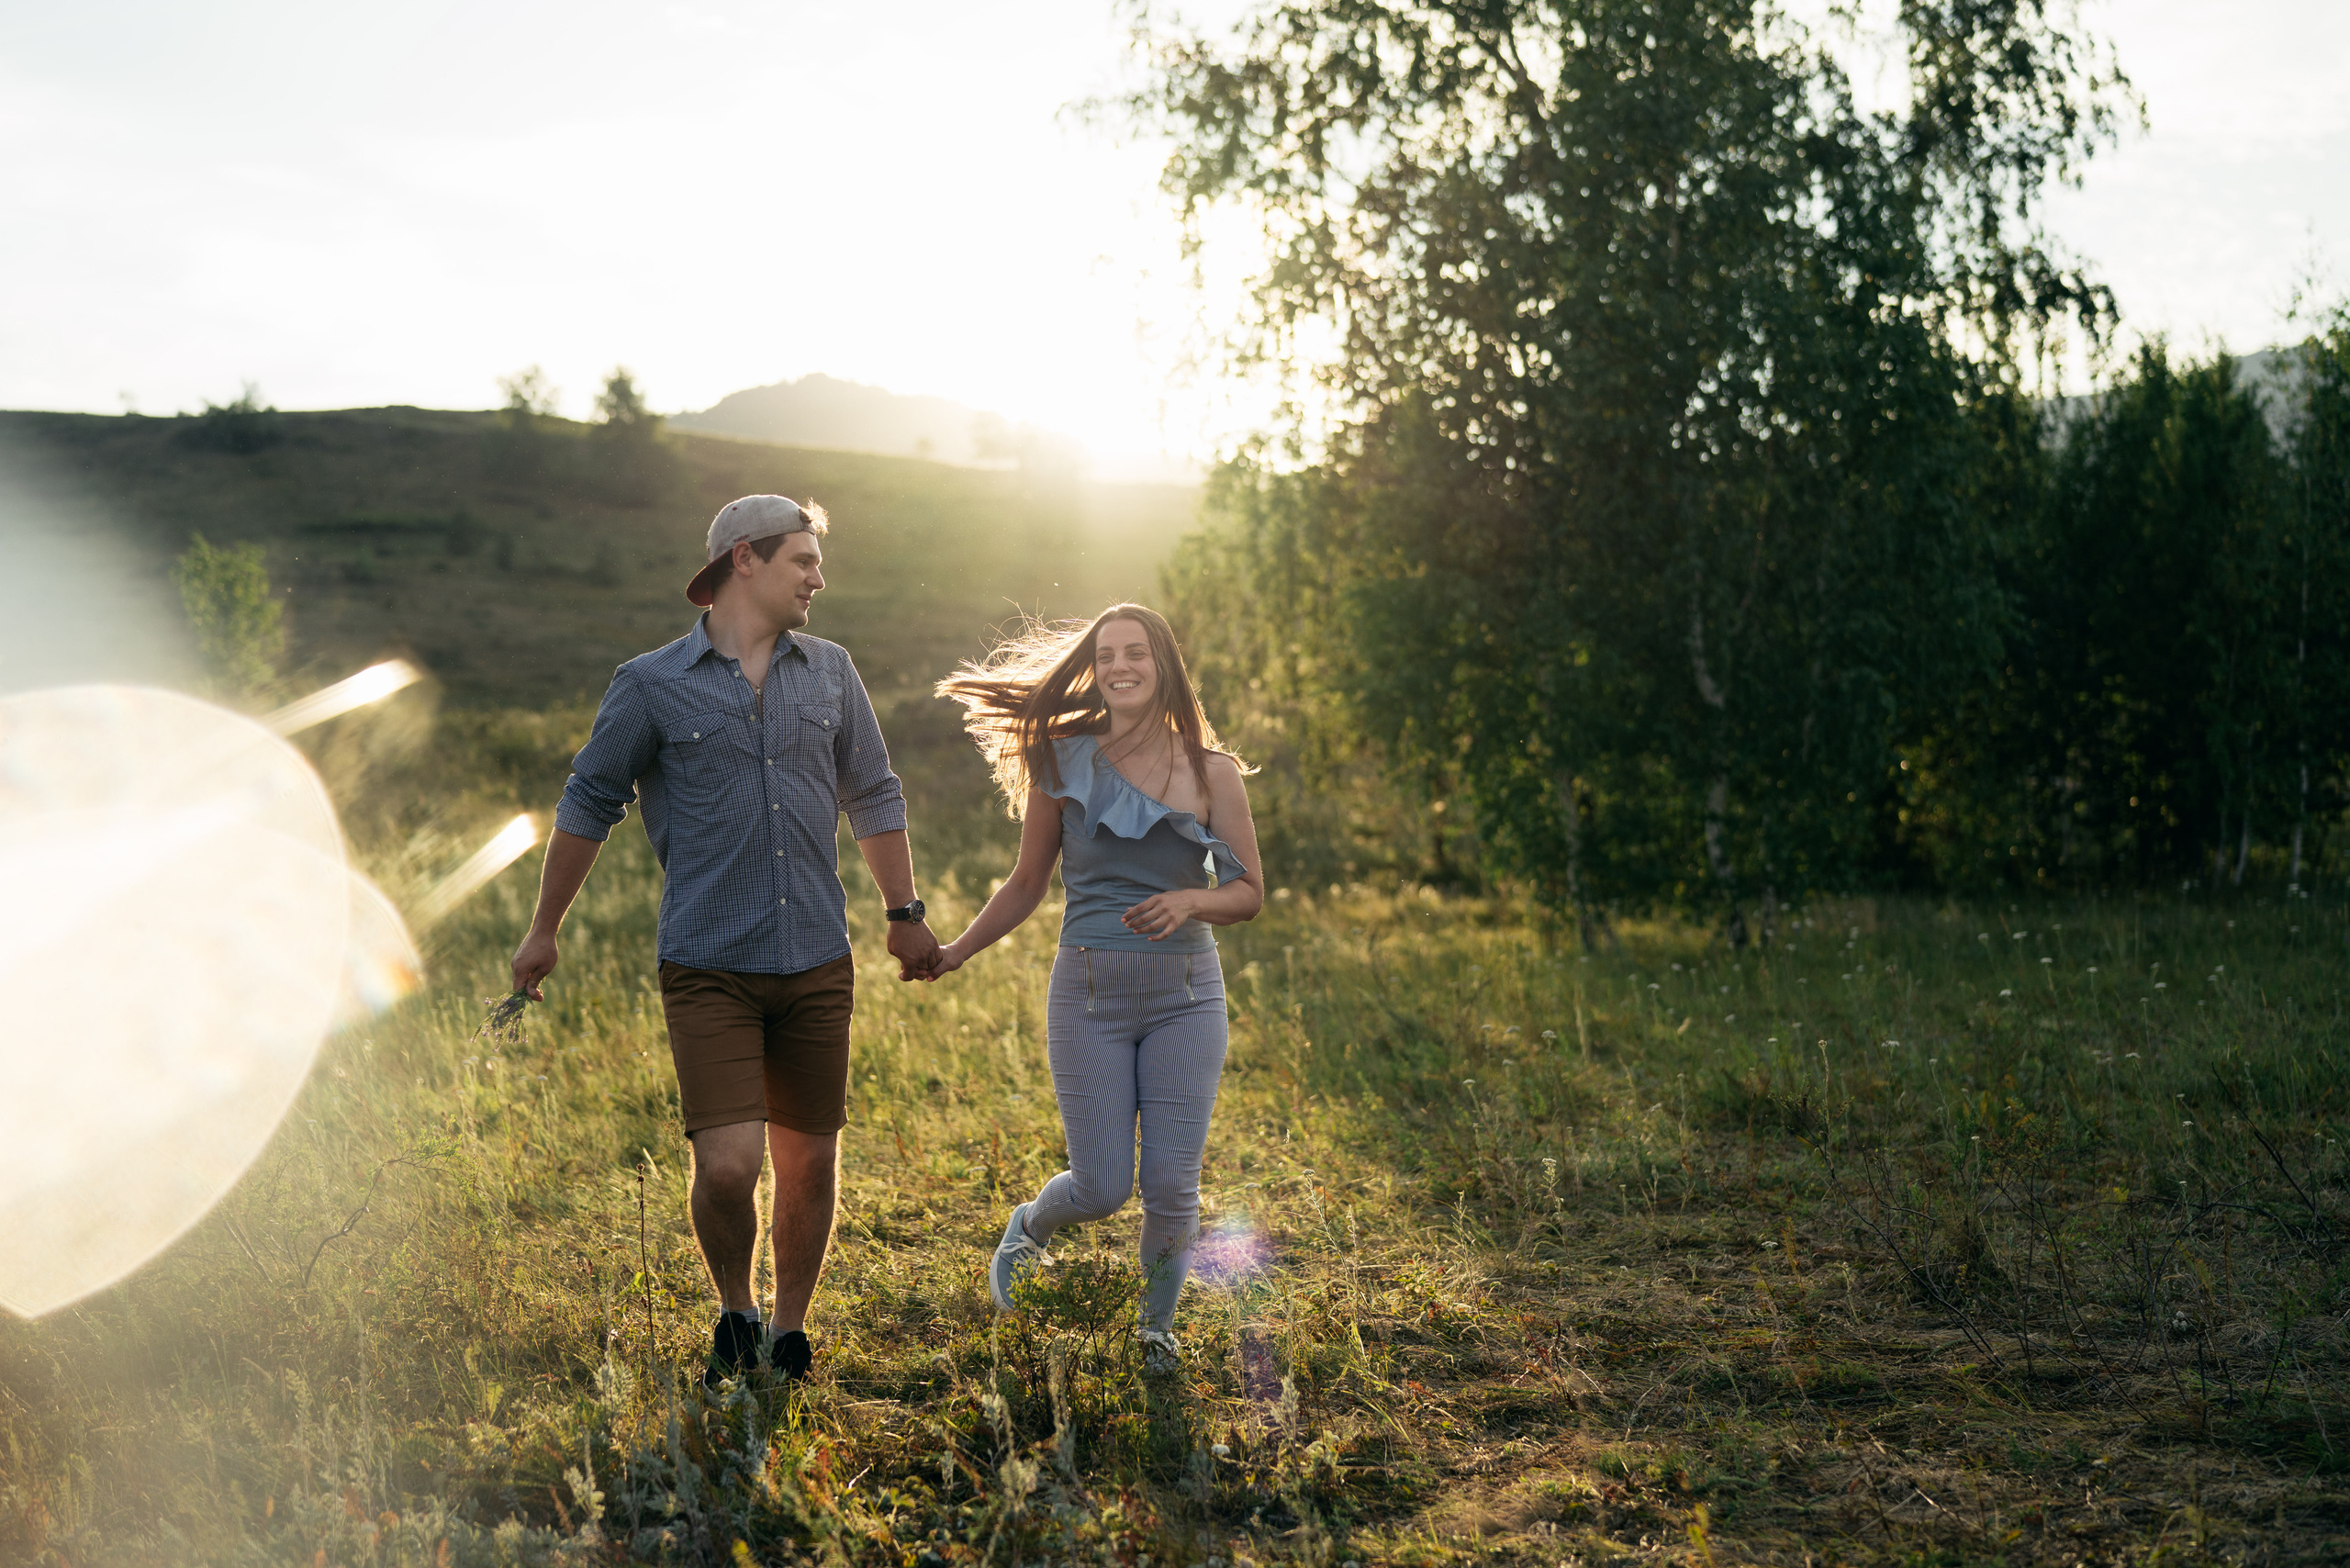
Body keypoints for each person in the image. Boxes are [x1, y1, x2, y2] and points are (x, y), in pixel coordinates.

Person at [509, 494, 943, 1388]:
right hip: (709, 963)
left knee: (810, 1159)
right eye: (803, 562)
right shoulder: (650, 683)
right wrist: (543, 929)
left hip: (818, 958)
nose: (819, 578)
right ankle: (735, 1309)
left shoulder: (830, 672)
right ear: (744, 559)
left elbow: (874, 791)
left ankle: (785, 1331)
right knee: (729, 1164)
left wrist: (904, 915)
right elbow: (589, 802)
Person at [931, 604, 1262, 1369]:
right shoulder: (1060, 759)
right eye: (1107, 654)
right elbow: (1024, 885)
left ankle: (1155, 1332)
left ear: (1163, 665)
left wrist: (1193, 900)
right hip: (1088, 996)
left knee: (1174, 1188)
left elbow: (1248, 893)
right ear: (1094, 668)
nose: (1121, 665)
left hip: (1187, 995)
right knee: (1104, 1185)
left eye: (1137, 652)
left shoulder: (1213, 772)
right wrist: (957, 951)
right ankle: (1030, 1227)